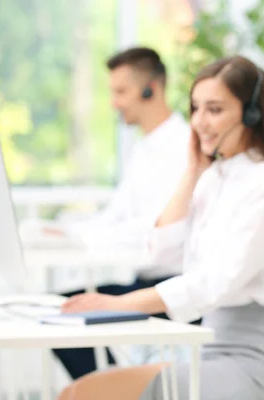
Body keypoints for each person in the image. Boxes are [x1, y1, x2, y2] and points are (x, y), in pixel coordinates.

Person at [57, 55, 264, 400]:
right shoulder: (211, 179)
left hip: (250, 362)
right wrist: (191, 172)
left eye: (215, 110)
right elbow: (162, 252)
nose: (200, 122)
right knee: (78, 392)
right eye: (195, 108)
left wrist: (120, 303)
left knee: (84, 394)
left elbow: (216, 281)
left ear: (251, 113)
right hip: (205, 348)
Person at [49, 47, 190, 380]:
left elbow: (152, 228)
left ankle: (111, 388)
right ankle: (110, 387)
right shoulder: (143, 148)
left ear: (151, 89)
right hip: (142, 282)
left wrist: (84, 237)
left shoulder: (182, 148)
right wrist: (69, 232)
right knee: (63, 309)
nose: (114, 102)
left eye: (121, 92)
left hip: (169, 288)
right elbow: (116, 216)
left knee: (67, 317)